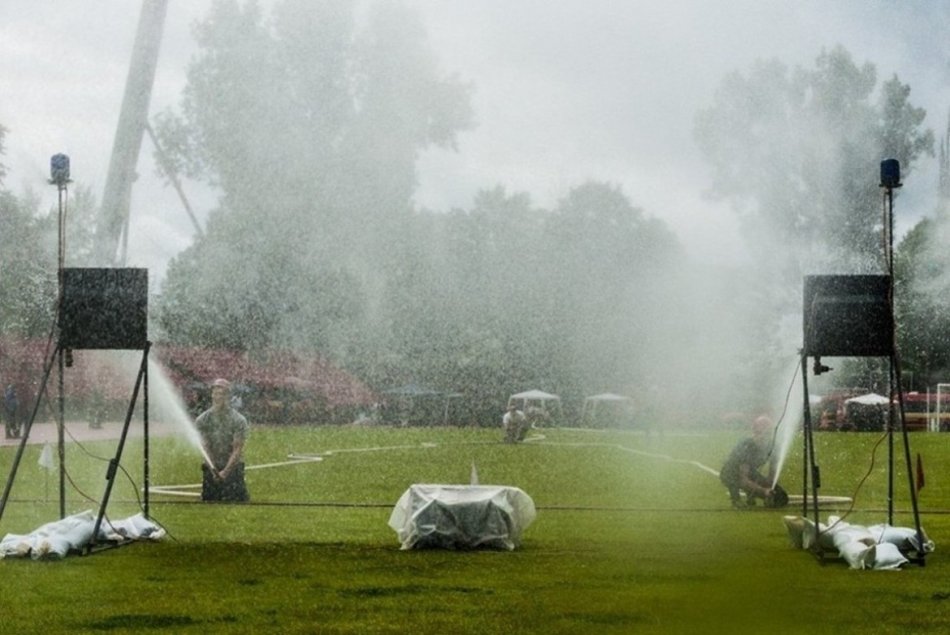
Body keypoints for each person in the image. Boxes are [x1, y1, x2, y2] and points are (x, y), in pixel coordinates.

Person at [195, 378, 250, 502]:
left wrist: (225, 472)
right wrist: (214, 470)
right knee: (210, 500)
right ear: (212, 395)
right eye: (216, 393)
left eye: (222, 394)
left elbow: (237, 449)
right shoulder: (202, 420)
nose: (219, 397)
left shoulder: (239, 420)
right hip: (212, 467)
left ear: (228, 397)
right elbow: (205, 448)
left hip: (233, 467)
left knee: (236, 500)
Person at [720, 415, 787, 509]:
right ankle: (736, 499)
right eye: (760, 432)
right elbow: (743, 480)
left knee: (781, 498)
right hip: (733, 473)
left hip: (751, 472)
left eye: (768, 433)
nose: (764, 436)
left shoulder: (773, 447)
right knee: (732, 476)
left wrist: (770, 490)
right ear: (754, 432)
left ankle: (751, 495)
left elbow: (772, 475)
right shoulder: (747, 447)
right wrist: (763, 491)